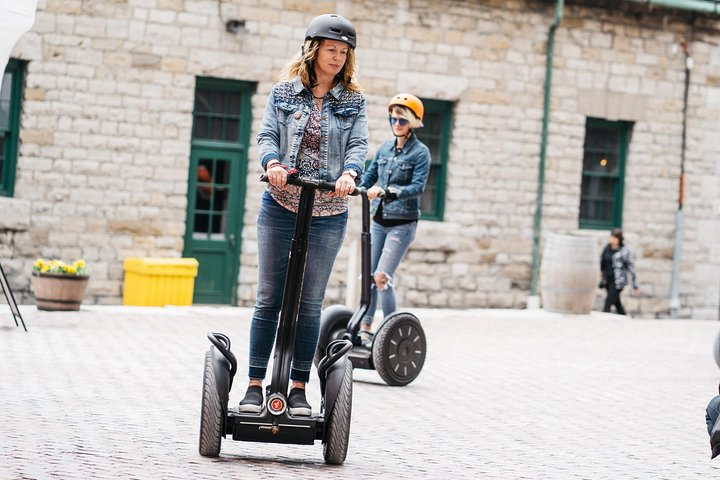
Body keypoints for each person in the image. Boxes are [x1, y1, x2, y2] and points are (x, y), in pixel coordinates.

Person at [237, 14, 367, 417]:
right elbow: (267, 136)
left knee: (310, 304)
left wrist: (349, 173)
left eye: (343, 52)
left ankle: (297, 388)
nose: (337, 57)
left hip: (328, 210)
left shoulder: (353, 100)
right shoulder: (283, 94)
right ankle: (255, 384)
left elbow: (358, 145)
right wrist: (272, 162)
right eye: (331, 50)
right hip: (280, 204)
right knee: (268, 300)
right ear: (313, 49)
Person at [357, 94, 430, 342]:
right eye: (393, 118)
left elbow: (417, 188)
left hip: (402, 224)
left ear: (412, 122)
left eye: (401, 119)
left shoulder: (421, 153)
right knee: (368, 276)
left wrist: (388, 192)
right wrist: (354, 186)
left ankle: (391, 333)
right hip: (378, 220)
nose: (396, 123)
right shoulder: (385, 148)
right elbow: (370, 176)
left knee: (382, 277)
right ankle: (365, 328)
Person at [599, 228, 640, 315]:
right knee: (617, 303)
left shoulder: (624, 251)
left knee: (608, 303)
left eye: (614, 238)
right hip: (607, 280)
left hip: (618, 281)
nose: (612, 240)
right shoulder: (607, 248)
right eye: (611, 237)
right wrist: (602, 274)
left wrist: (635, 285)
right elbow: (602, 262)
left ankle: (602, 321)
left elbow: (631, 268)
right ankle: (624, 317)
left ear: (619, 239)